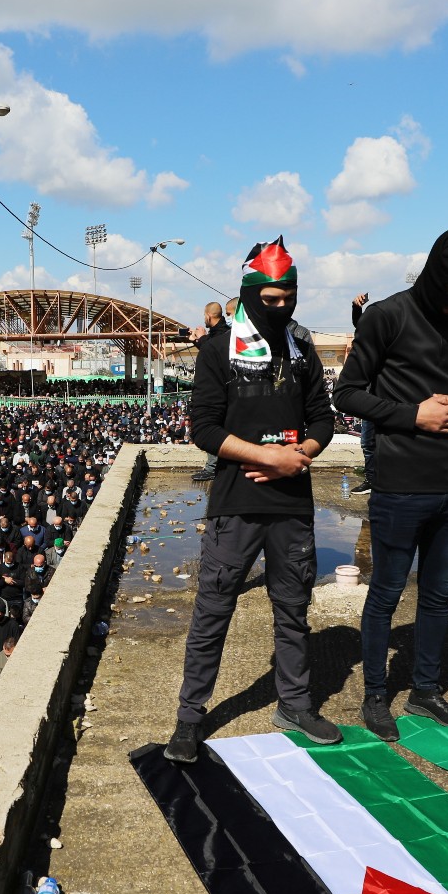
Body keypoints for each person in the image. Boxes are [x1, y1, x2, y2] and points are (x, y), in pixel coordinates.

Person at [166, 239, 339, 762]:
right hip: (235, 505)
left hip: (291, 506)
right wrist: (266, 458)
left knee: (292, 610)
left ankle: (295, 703)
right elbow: (204, 428)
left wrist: (300, 453)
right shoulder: (219, 350)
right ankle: (190, 717)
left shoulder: (302, 347)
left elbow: (323, 420)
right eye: (271, 298)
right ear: (247, 295)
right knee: (212, 613)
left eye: (289, 296)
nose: (282, 306)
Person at [333, 225, 448, 737]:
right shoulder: (387, 316)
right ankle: (376, 695)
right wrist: (411, 415)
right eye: (447, 291)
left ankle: (426, 690)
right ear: (431, 272)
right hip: (401, 480)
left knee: (438, 592)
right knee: (385, 591)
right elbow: (348, 394)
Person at [188, 301, 230, 483]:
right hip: (219, 390)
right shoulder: (217, 333)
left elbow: (216, 354)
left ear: (208, 316)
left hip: (218, 392)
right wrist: (200, 342)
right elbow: (211, 354)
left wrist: (203, 340)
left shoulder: (222, 334)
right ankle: (213, 466)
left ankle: (213, 468)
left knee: (214, 428)